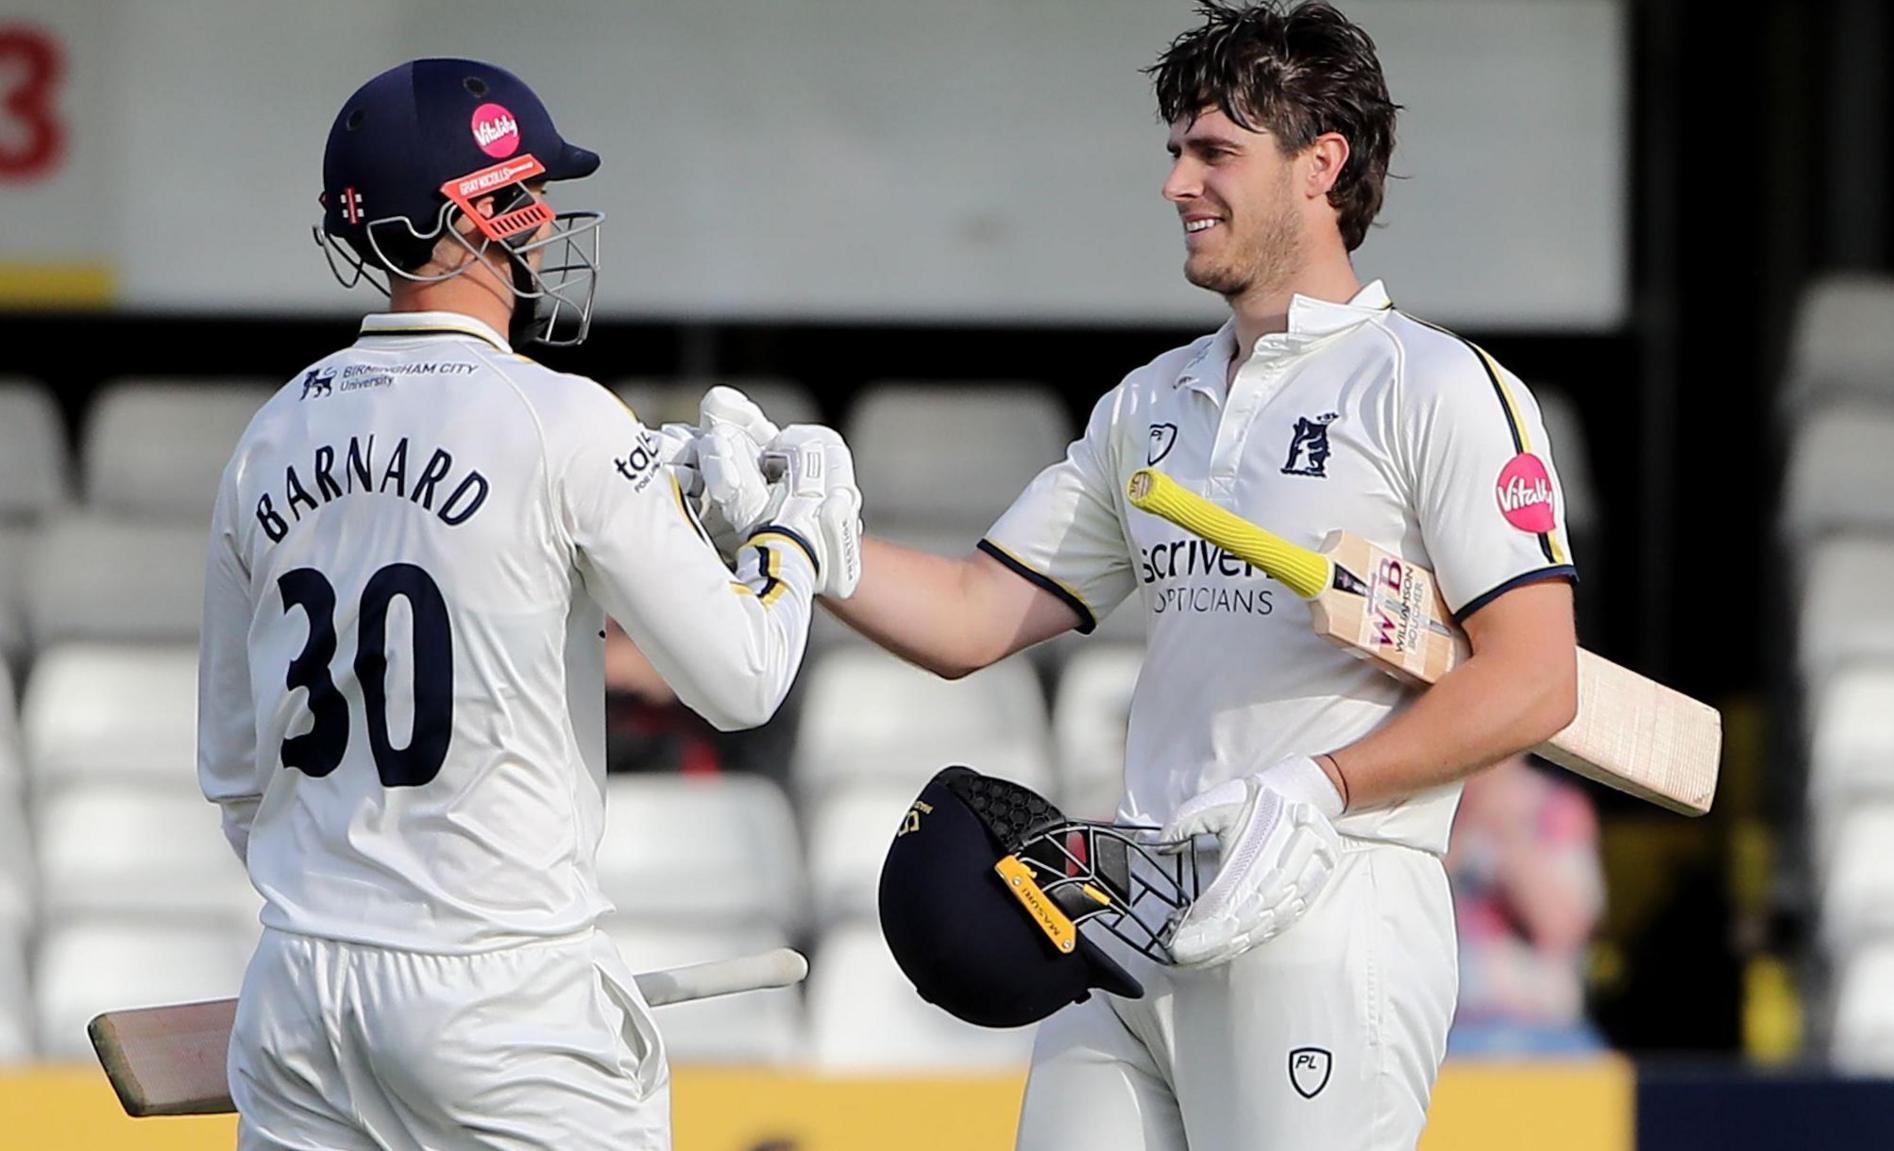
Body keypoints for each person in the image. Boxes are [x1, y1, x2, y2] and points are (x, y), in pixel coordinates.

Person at [705, 3, 1578, 1146]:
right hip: (1133, 912)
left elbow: (1534, 678)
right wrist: (804, 538)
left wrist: (1319, 785)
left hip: (1327, 906)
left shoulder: (1434, 387)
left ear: (1323, 164)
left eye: (1212, 150)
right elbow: (974, 614)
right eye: (1174, 149)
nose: (1176, 181)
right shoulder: (1146, 403)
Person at [196, 58, 859, 1151]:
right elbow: (743, 678)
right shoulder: (561, 417)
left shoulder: (270, 432)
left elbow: (234, 777)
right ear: (475, 212)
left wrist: (359, 938)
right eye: (528, 194)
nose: (547, 222)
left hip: (298, 991)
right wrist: (792, 535)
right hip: (507, 999)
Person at [1445, 755, 1607, 1056]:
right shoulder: (1428, 806)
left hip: (1542, 1031)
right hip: (1447, 1029)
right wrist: (1464, 825)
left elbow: (1560, 929)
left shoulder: (1556, 807)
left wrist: (1509, 832)